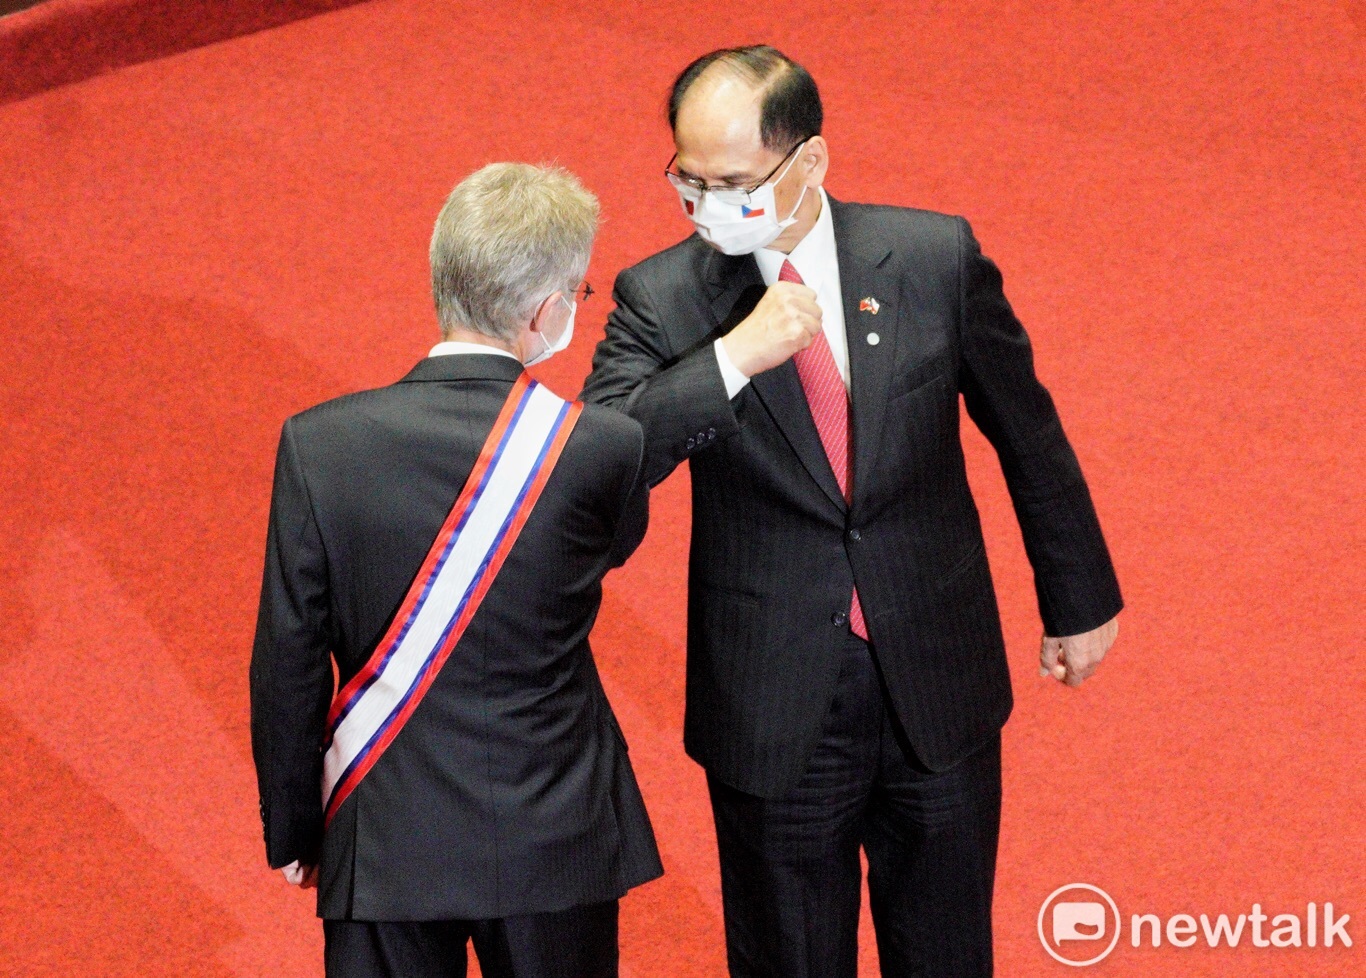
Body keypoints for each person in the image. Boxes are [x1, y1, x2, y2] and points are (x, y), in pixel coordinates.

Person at [581, 46, 1122, 977]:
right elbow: (602, 459)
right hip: (774, 704)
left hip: (937, 684)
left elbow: (1026, 431)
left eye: (734, 183)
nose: (709, 206)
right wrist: (728, 361)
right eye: (689, 181)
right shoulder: (659, 297)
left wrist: (1079, 598)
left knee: (947, 953)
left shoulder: (931, 256)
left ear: (811, 163)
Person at [250, 162, 661, 978]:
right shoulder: (602, 449)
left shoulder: (317, 444)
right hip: (555, 836)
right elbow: (608, 549)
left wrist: (296, 828)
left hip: (384, 834)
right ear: (546, 311)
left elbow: (287, 662)